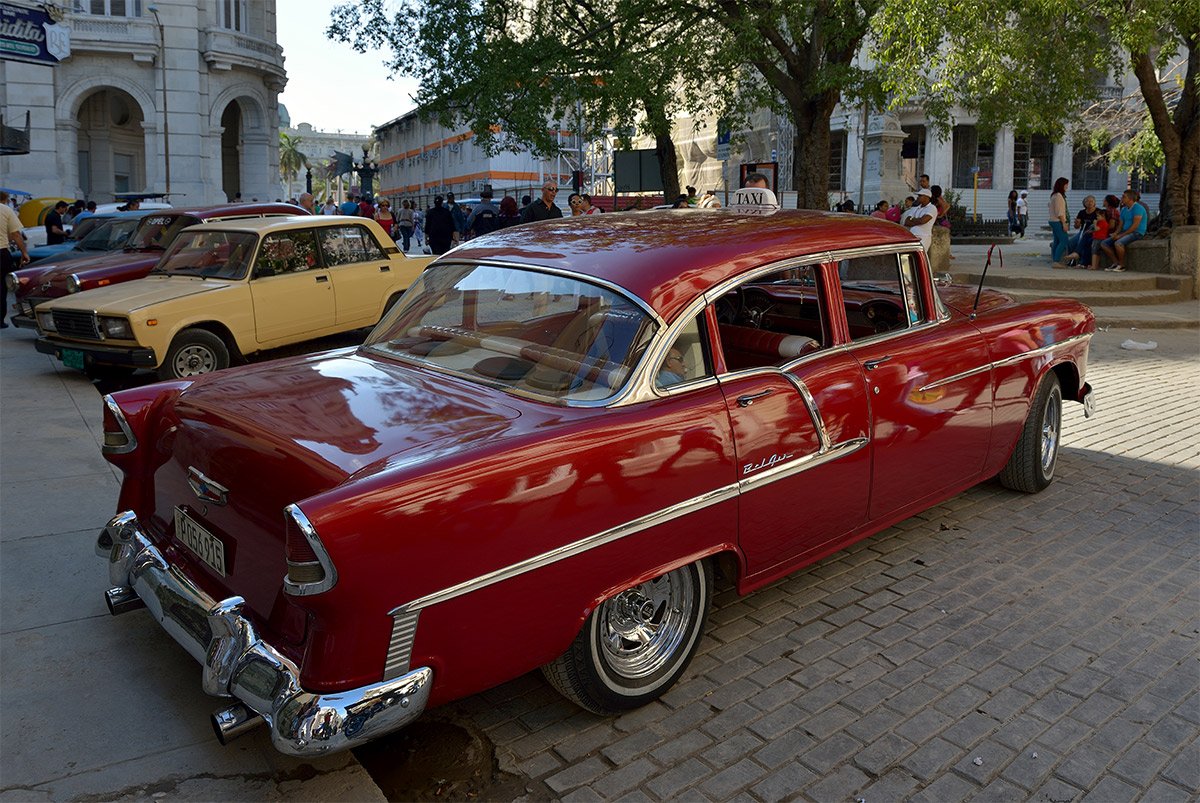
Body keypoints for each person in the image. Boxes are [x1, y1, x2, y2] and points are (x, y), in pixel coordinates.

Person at [1, 190, 31, 329]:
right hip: (1, 252)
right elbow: (16, 235)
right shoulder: (6, 210)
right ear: (5, 200)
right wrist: (24, 252)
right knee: (2, 287)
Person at [1100, 189, 1148, 272]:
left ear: (1130, 199)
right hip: (1126, 231)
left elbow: (1134, 226)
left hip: (1137, 232)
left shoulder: (1138, 208)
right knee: (1104, 243)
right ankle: (1116, 263)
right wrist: (1115, 233)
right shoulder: (1124, 209)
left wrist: (1120, 236)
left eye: (1124, 196)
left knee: (1118, 243)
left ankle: (1122, 265)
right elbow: (1120, 225)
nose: (1121, 198)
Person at [1064, 195, 1101, 267]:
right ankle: (1072, 261)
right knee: (1070, 243)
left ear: (1094, 203)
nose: (1089, 203)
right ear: (1084, 203)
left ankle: (1081, 261)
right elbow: (1076, 227)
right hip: (1082, 232)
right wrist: (1077, 223)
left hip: (1093, 232)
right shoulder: (1082, 212)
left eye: (1091, 201)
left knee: (1084, 242)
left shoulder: (1098, 212)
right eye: (1087, 201)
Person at [1048, 177, 1070, 267]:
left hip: (1053, 220)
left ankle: (1055, 260)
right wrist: (1064, 223)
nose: (1067, 187)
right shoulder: (1059, 196)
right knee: (1064, 240)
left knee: (1057, 241)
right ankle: (1056, 261)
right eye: (1066, 185)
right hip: (1058, 221)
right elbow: (1059, 212)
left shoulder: (1054, 195)